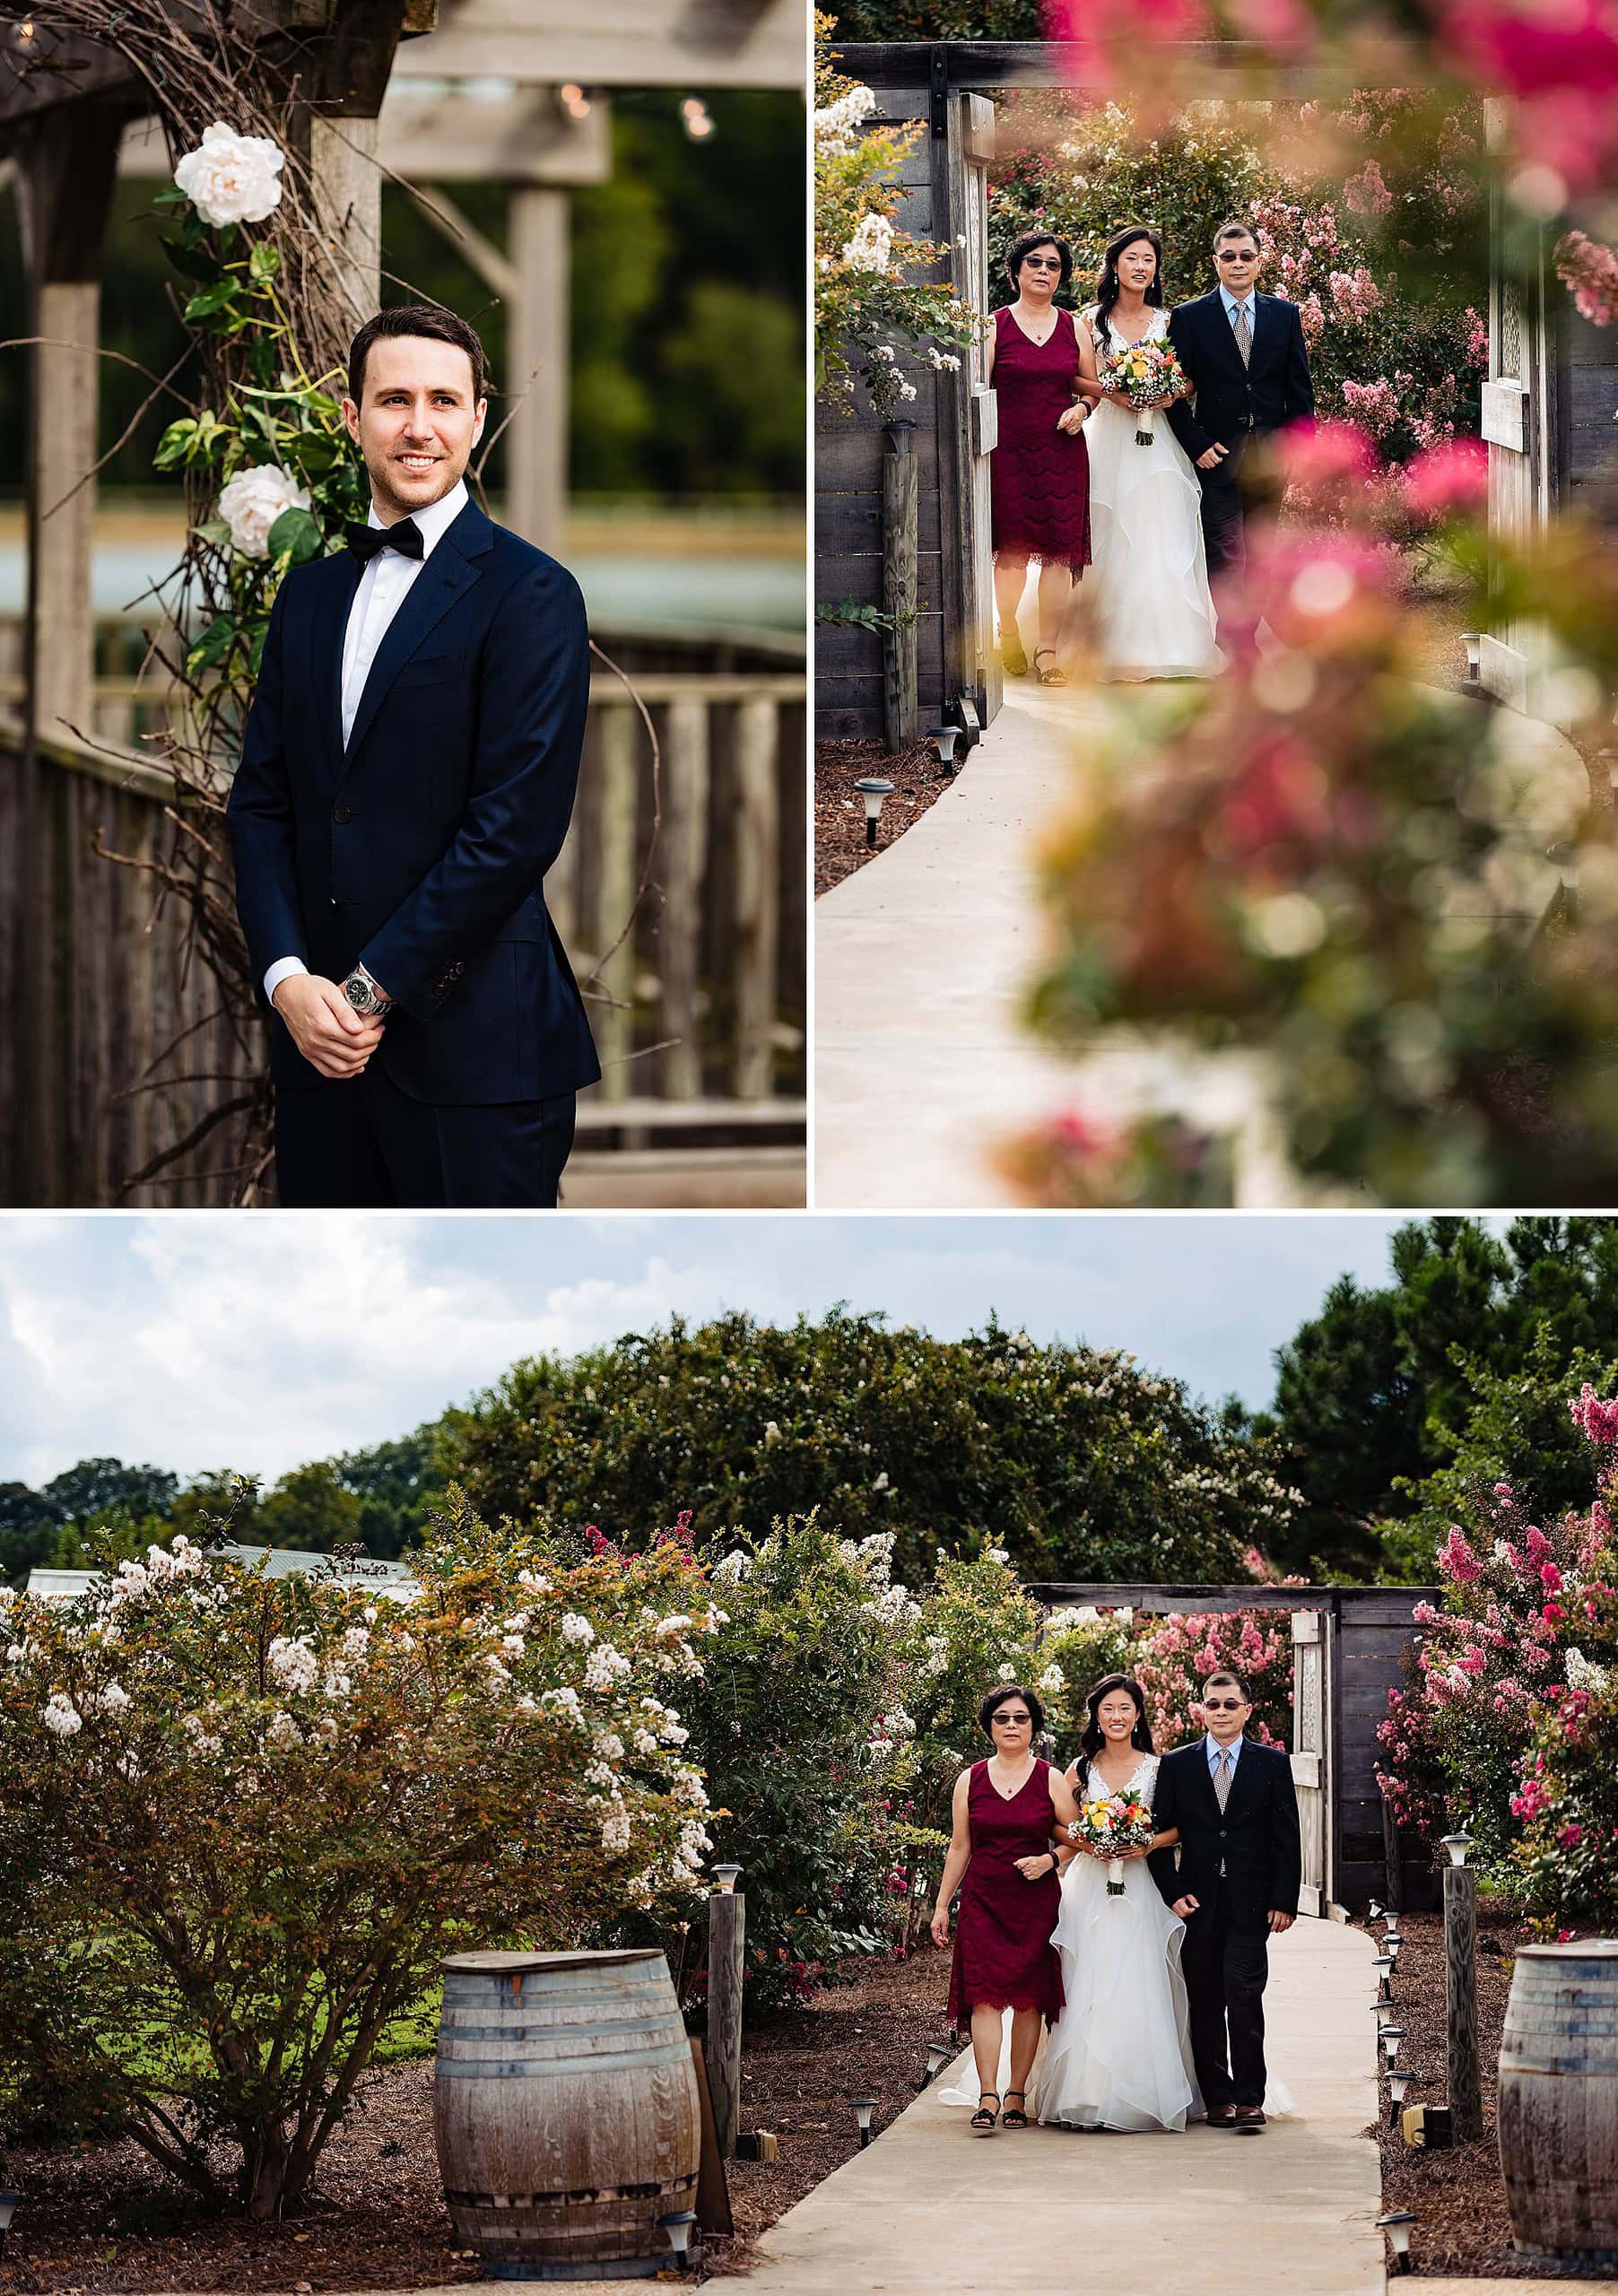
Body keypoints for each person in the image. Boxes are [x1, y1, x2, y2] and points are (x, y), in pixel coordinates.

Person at [228, 303, 600, 1208]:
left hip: (477, 1056)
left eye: (444, 400)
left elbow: (512, 831)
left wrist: (365, 993)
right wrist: (288, 984)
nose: (419, 424)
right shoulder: (308, 595)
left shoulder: (533, 594)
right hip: (318, 1054)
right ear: (352, 419)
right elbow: (262, 804)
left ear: (478, 419)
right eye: (394, 400)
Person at [1036, 1672, 1196, 2132]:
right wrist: (1087, 1843)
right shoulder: (1080, 1769)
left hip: (1142, 1884)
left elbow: (1181, 1827)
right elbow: (1058, 1826)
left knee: (1137, 1980)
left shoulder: (1159, 1768)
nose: (1117, 1716)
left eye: (1125, 1707)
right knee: (1086, 1979)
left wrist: (1145, 1844)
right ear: (1097, 1717)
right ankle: (1083, 2095)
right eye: (1108, 1708)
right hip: (1089, 1887)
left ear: (1138, 1714)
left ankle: (1141, 2094)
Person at [1147, 1667, 1302, 2129]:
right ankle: (1217, 2096)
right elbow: (1155, 1837)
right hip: (1197, 1903)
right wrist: (1172, 1892)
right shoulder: (1177, 1764)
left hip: (1251, 1904)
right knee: (1206, 1999)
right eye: (1212, 1704)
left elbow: (1286, 1838)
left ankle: (1250, 2094)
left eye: (1230, 1704)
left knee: (1244, 1994)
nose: (1220, 1712)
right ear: (1201, 1709)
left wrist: (1284, 1900)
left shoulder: (1271, 1764)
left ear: (1247, 1710)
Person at [1072, 225, 1223, 682]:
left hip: (1159, 440)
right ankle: (1104, 645)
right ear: (1115, 264)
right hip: (1109, 437)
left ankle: (1173, 645)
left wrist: (1166, 392)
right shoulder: (1090, 320)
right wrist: (1113, 392)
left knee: (1164, 532)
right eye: (1132, 258)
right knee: (1110, 529)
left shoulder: (1169, 321)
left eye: (1149, 260)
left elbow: (1192, 379)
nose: (1141, 267)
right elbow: (1077, 380)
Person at [930, 1683, 1079, 2132]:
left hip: (1035, 1905)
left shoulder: (1050, 1778)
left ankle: (1017, 2094)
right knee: (984, 2000)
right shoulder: (969, 1779)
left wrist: (1049, 1859)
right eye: (1002, 1718)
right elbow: (960, 1846)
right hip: (982, 1902)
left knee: (1030, 2001)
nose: (1012, 1725)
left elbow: (1081, 1838)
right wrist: (942, 1906)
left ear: (1033, 1726)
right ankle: (987, 2095)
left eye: (1020, 1718)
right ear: (989, 1727)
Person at [1165, 220, 1316, 585]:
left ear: (1259, 262)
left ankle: (1247, 633)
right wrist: (1196, 444)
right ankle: (1236, 639)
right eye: (1228, 256)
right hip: (1218, 455)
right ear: (1215, 262)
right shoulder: (1189, 317)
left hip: (1270, 456)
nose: (1238, 263)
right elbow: (1169, 390)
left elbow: (1300, 390)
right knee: (1227, 553)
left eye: (1246, 256)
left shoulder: (1285, 315)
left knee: (1262, 551)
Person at [987, 232, 1092, 689]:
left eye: (1053, 265)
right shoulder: (994, 326)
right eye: (1034, 263)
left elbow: (1093, 387)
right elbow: (979, 388)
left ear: (1061, 275)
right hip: (1009, 455)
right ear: (1015, 272)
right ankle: (1007, 630)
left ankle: (1047, 649)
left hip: (1063, 452)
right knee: (1010, 554)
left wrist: (1082, 409)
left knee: (1058, 555)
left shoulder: (1075, 327)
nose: (1044, 271)